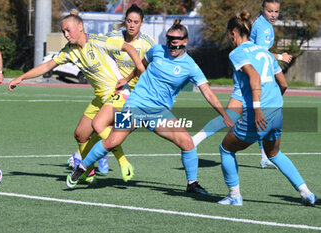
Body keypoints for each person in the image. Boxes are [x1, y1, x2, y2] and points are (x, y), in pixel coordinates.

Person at [66, 19, 234, 193]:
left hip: (159, 112)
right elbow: (141, 65)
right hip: (135, 104)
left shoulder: (191, 66)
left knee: (187, 143)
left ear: (185, 42)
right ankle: (81, 168)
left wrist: (223, 114)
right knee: (112, 141)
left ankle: (192, 184)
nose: (170, 46)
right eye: (168, 41)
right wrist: (128, 79)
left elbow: (207, 92)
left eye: (175, 43)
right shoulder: (157, 51)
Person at [8, 11, 145, 183]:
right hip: (101, 98)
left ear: (80, 27)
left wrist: (140, 67)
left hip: (120, 94)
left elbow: (128, 47)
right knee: (80, 134)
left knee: (98, 125)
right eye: (63, 31)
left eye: (68, 30)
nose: (66, 34)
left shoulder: (97, 41)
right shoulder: (69, 51)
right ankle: (88, 173)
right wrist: (21, 78)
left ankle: (123, 162)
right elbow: (47, 66)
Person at [217, 10, 317, 206]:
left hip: (258, 114)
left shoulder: (236, 53)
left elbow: (253, 76)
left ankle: (234, 196)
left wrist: (258, 109)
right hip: (276, 112)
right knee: (274, 154)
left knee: (226, 149)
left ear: (232, 33)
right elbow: (284, 84)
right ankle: (306, 193)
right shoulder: (264, 52)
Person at [192, 0, 292, 169]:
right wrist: (281, 57)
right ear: (262, 9)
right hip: (252, 81)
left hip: (252, 79)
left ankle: (264, 158)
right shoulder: (264, 27)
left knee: (245, 117)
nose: (273, 15)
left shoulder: (260, 23)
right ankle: (194, 141)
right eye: (270, 11)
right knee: (239, 116)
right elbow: (260, 55)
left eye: (276, 11)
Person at [67, 5, 155, 180]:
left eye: (136, 22)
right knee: (94, 128)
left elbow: (152, 69)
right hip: (114, 91)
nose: (131, 25)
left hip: (135, 96)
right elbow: (95, 44)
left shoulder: (148, 43)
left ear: (142, 23)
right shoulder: (113, 37)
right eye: (129, 21)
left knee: (109, 129)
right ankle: (96, 159)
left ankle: (98, 156)